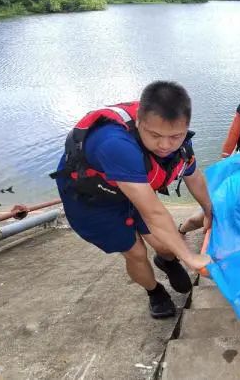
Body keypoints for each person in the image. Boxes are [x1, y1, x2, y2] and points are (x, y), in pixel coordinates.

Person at [51, 81, 212, 319]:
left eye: (175, 136)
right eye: (155, 135)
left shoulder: (178, 139)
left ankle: (166, 260)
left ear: (185, 126)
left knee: (164, 243)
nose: (165, 145)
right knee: (135, 251)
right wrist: (190, 257)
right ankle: (154, 291)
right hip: (94, 200)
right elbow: (153, 213)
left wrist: (209, 210)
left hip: (132, 186)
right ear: (138, 122)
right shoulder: (115, 144)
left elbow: (192, 174)